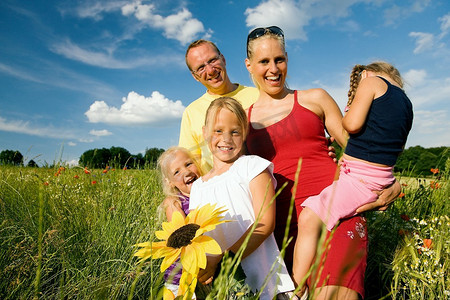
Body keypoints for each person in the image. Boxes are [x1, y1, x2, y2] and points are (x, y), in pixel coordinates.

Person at [244, 26, 401, 299]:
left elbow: (361, 150)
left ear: (287, 59)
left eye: (279, 59)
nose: (274, 68)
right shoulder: (243, 123)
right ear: (249, 65)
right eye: (264, 61)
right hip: (279, 232)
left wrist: (392, 184)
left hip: (336, 216)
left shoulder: (315, 98)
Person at [292, 62, 414, 296]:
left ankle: (296, 290)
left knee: (309, 216)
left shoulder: (372, 82)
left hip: (359, 180)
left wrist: (350, 111)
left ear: (367, 74)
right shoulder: (406, 103)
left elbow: (352, 125)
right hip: (378, 178)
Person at [189, 97, 296, 300]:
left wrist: (225, 259)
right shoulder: (197, 187)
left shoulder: (252, 167)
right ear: (204, 133)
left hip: (261, 279)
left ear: (245, 133)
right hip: (216, 284)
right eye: (218, 131)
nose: (226, 139)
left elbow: (265, 223)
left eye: (235, 131)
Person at [179, 39, 259, 172]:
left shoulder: (257, 94)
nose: (210, 70)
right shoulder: (191, 112)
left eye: (212, 60)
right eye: (201, 68)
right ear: (195, 76)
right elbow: (190, 162)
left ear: (223, 59)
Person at [157, 146, 202, 295]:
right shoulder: (175, 203)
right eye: (177, 172)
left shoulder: (210, 192)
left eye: (189, 164)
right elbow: (183, 239)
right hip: (180, 279)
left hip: (204, 272)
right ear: (170, 182)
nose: (186, 171)